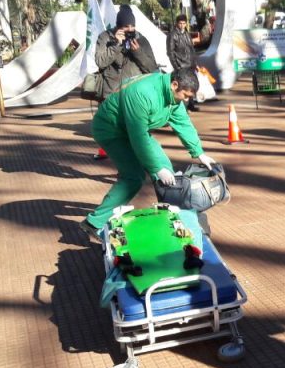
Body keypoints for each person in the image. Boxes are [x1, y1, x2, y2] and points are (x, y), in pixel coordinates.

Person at [80, 69, 217, 240]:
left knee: (165, 165)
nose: (187, 100)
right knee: (133, 177)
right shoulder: (143, 93)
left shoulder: (172, 97)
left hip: (135, 130)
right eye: (186, 95)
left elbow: (183, 123)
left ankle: (172, 216)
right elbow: (138, 137)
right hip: (111, 131)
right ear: (174, 85)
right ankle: (94, 223)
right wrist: (156, 168)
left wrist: (199, 153)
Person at [94, 5, 159, 100]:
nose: (130, 29)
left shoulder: (141, 40)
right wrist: (116, 45)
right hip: (111, 94)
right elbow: (100, 62)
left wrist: (138, 52)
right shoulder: (105, 37)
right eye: (126, 26)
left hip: (134, 95)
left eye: (132, 26)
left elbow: (152, 68)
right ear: (118, 26)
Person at [167, 14, 200, 112]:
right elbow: (170, 52)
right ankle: (183, 109)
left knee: (191, 86)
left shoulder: (186, 33)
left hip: (190, 64)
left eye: (184, 23)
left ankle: (191, 105)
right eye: (180, 23)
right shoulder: (173, 35)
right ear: (177, 23)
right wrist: (176, 66)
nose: (182, 25)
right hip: (181, 65)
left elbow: (191, 50)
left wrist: (195, 63)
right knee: (183, 87)